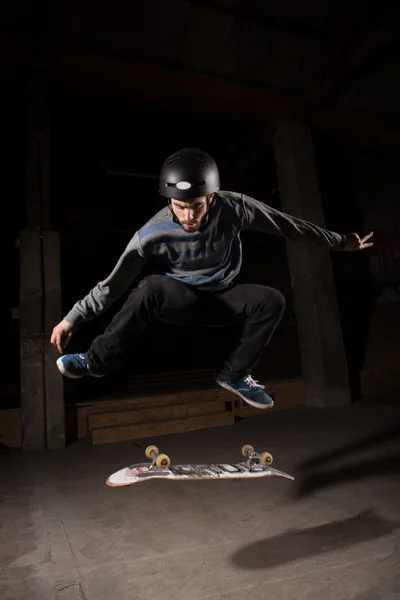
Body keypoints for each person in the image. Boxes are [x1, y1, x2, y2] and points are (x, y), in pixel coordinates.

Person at [51, 148, 373, 409]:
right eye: (180, 208)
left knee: (271, 300)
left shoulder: (236, 208)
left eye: (196, 207)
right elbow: (113, 285)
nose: (188, 217)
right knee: (150, 286)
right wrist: (72, 319)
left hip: (222, 300)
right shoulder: (150, 234)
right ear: (168, 202)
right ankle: (96, 361)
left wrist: (340, 241)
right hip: (180, 301)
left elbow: (287, 224)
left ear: (212, 198)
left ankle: (235, 375)